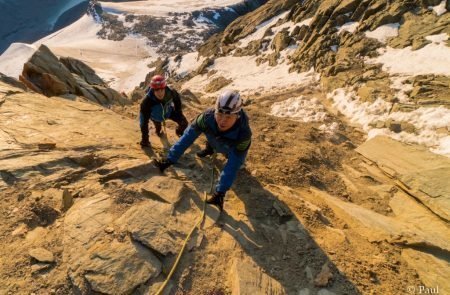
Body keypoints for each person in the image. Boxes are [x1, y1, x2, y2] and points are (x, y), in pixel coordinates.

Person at [155, 90, 252, 211]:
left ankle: (218, 150)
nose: (222, 120)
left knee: (232, 158)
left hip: (229, 146)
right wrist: (169, 159)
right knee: (213, 136)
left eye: (228, 117)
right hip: (214, 138)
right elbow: (187, 138)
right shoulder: (206, 118)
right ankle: (209, 149)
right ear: (215, 111)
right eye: (220, 114)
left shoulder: (244, 135)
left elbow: (232, 165)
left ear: (237, 116)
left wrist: (220, 192)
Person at [139, 75, 188, 147]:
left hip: (169, 112)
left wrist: (178, 112)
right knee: (158, 130)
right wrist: (145, 139)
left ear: (165, 87)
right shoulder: (147, 102)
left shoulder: (171, 92)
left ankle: (179, 131)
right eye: (157, 90)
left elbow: (177, 100)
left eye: (162, 89)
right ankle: (158, 131)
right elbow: (144, 122)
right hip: (155, 117)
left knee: (184, 123)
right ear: (153, 89)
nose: (160, 92)